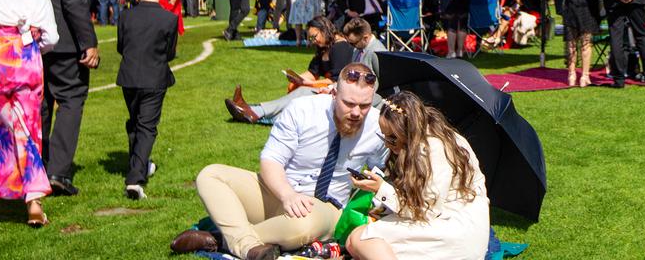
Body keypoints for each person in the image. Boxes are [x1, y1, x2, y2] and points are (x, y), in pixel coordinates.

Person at [174, 64, 387, 260]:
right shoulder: (302, 110)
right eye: (349, 103)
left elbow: (386, 170)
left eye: (364, 105)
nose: (357, 112)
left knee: (304, 225)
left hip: (325, 208)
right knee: (210, 175)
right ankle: (245, 243)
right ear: (333, 93)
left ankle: (225, 240)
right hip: (280, 191)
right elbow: (271, 160)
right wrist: (287, 195)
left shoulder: (377, 126)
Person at [346, 91, 489, 260]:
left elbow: (426, 209)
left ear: (407, 130)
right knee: (368, 245)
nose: (387, 144)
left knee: (360, 239)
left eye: (392, 138)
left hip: (455, 230)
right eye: (383, 136)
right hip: (452, 224)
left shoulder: (432, 149)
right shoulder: (431, 136)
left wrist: (381, 189)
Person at [26, 0, 103, 197]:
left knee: (42, 103)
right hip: (66, 38)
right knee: (71, 100)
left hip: (36, 35)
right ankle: (58, 172)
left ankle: (40, 166)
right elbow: (73, 0)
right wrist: (90, 41)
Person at [0, 0, 58, 226]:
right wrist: (31, 47)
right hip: (27, 65)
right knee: (29, 131)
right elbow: (52, 38)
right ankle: (33, 200)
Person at [117, 0, 179, 199]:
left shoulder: (125, 16)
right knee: (146, 127)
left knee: (136, 123)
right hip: (154, 76)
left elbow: (121, 46)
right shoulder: (169, 18)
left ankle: (140, 164)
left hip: (130, 77)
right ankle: (135, 178)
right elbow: (170, 52)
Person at [227, 17, 355, 124]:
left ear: (324, 30)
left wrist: (307, 83)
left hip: (338, 92)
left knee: (304, 90)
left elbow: (336, 80)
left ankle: (254, 111)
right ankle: (253, 111)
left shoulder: (340, 47)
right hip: (328, 89)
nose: (312, 41)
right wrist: (297, 78)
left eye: (314, 37)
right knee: (297, 87)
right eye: (310, 38)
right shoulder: (324, 47)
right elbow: (313, 72)